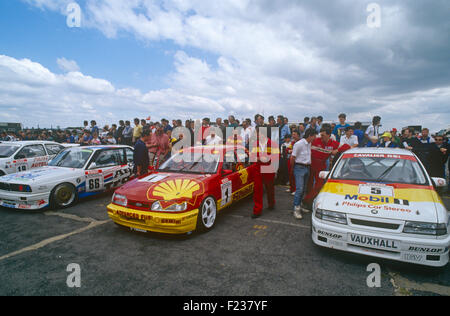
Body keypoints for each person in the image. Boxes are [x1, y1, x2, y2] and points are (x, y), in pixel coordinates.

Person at [303, 126, 350, 210]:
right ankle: (308, 202)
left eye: (323, 135)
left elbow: (347, 146)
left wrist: (337, 150)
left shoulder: (334, 143)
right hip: (311, 164)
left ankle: (306, 201)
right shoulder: (315, 140)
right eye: (321, 135)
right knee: (309, 185)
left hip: (322, 166)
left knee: (319, 185)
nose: (321, 137)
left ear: (329, 135)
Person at [250, 126, 279, 218]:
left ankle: (271, 203)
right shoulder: (255, 144)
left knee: (270, 188)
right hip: (258, 168)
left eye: (257, 133)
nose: (256, 135)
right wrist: (258, 158)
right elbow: (252, 157)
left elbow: (276, 158)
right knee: (257, 189)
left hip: (269, 168)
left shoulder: (273, 144)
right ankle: (257, 210)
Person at [291, 128, 317, 220]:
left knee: (303, 189)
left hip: (307, 168)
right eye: (314, 136)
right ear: (310, 136)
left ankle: (300, 205)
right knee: (299, 189)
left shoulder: (309, 143)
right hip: (299, 167)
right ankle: (296, 208)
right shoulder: (299, 144)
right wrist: (293, 168)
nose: (315, 138)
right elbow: (292, 157)